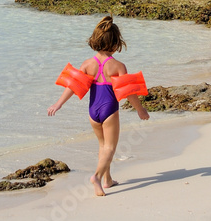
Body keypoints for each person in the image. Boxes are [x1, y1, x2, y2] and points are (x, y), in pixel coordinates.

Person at [47, 15, 150, 196]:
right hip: (109, 110)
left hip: (93, 112)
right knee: (110, 148)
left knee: (103, 146)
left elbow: (73, 86)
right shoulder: (118, 66)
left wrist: (58, 104)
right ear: (116, 43)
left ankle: (107, 179)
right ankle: (97, 176)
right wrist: (140, 109)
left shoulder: (87, 64)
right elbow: (128, 93)